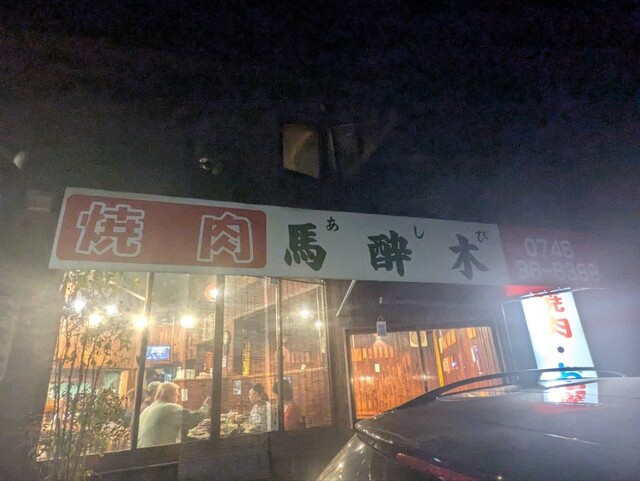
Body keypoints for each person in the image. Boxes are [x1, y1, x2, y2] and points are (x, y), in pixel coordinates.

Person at [137, 382, 210, 448]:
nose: (177, 399)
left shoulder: (148, 408)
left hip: (141, 451)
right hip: (157, 453)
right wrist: (206, 405)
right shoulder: (170, 408)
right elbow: (194, 418)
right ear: (171, 395)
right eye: (177, 395)